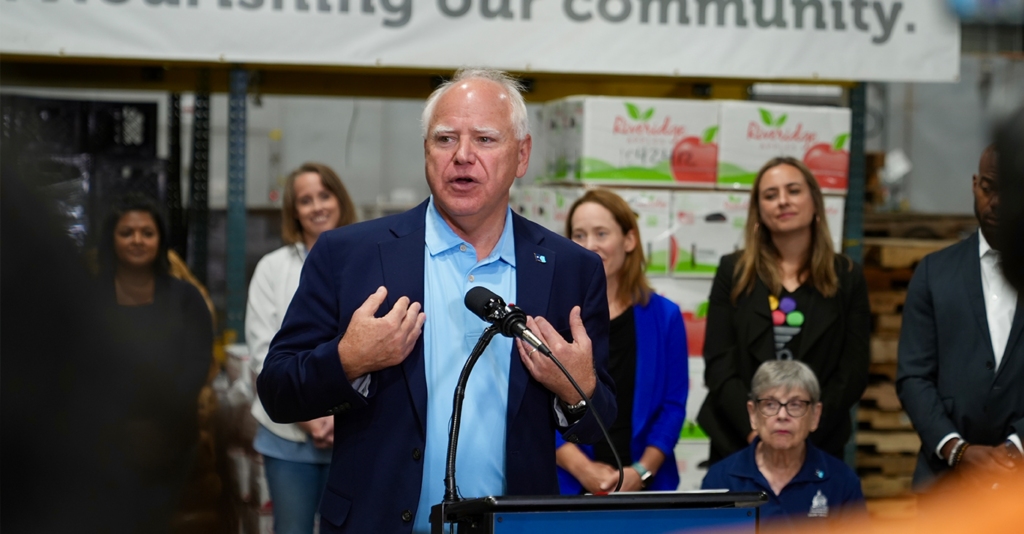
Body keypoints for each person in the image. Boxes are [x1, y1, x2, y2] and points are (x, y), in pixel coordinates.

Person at [256, 68, 616, 534]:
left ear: (521, 155)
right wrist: (347, 360)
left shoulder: (571, 268)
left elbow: (600, 424)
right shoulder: (349, 255)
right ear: (426, 150)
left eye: (485, 139)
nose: (463, 156)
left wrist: (576, 389)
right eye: (445, 139)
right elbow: (278, 392)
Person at [697, 157, 870, 464]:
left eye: (793, 190)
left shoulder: (847, 276)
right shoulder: (732, 271)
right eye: (770, 195)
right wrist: (757, 431)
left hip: (819, 443)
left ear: (815, 201)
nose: (783, 201)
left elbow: (852, 372)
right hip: (738, 441)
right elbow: (720, 364)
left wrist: (803, 433)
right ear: (759, 211)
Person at [897, 145, 1023, 490]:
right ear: (974, 184)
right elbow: (914, 376)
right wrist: (956, 449)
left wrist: (1016, 449)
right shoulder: (934, 273)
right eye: (988, 187)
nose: (996, 202)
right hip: (945, 483)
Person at [245, 163, 357, 533]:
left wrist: (338, 415)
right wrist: (310, 419)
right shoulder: (271, 269)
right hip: (289, 436)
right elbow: (263, 354)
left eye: (324, 195)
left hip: (355, 433)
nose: (317, 207)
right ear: (294, 211)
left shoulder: (367, 261)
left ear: (340, 200)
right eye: (305, 201)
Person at [556, 189, 688, 493]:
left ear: (629, 240)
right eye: (579, 234)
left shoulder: (665, 317)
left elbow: (673, 406)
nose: (590, 246)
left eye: (601, 233)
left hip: (646, 486)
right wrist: (584, 470)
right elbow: (534, 408)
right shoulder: (551, 315)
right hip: (568, 485)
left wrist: (641, 473)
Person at [97, 194, 214, 531]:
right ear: (112, 238)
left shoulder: (185, 298)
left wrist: (156, 426)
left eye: (147, 232)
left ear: (160, 239)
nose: (137, 240)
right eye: (127, 232)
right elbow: (78, 368)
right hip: (104, 442)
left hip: (172, 440)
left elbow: (197, 362)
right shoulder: (90, 296)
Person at [701, 360, 866, 527]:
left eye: (795, 405)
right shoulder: (720, 480)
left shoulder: (843, 482)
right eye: (770, 404)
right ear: (753, 415)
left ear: (815, 416)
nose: (782, 415)